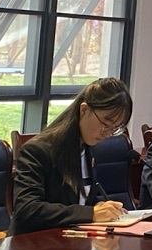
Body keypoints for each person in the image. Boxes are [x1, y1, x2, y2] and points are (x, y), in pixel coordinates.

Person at [10, 78, 133, 235]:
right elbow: (27, 209)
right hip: (33, 244)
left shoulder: (88, 147)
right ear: (84, 110)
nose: (108, 133)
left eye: (115, 128)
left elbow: (79, 199)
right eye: (106, 124)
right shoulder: (37, 150)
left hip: (71, 241)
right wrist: (91, 213)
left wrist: (101, 207)